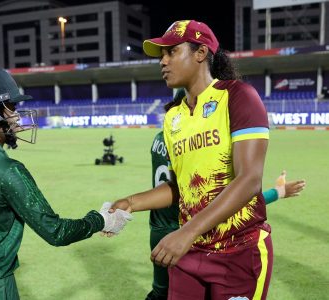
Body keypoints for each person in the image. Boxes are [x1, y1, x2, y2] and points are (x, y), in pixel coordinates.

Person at [0, 66, 132, 300]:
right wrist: (101, 220)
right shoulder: (8, 171)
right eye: (12, 108)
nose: (17, 117)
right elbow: (56, 232)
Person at [109, 19, 276, 299]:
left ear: (200, 53)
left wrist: (185, 233)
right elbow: (180, 187)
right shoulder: (173, 117)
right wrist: (131, 202)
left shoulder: (237, 96)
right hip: (190, 254)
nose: (162, 61)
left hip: (239, 252)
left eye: (171, 52)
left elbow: (250, 179)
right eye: (161, 55)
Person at [147, 112, 305, 299]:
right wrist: (278, 192)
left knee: (160, 292)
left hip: (161, 227)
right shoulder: (200, 141)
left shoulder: (161, 138)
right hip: (189, 234)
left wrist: (131, 203)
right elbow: (230, 201)